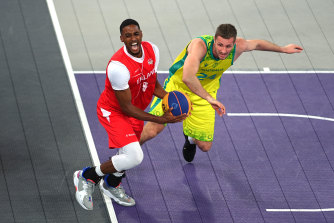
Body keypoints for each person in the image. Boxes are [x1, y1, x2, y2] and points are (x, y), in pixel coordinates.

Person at [140, 23, 303, 162]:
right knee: (154, 129)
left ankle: (190, 139)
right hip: (177, 88)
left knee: (204, 146)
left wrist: (283, 49)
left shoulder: (238, 46)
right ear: (214, 40)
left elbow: (258, 44)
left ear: (233, 44)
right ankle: (126, 156)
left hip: (205, 93)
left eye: (228, 46)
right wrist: (210, 98)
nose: (224, 50)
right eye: (220, 45)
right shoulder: (200, 46)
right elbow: (188, 77)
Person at [73, 19, 186, 210]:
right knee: (135, 156)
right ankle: (86, 176)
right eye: (128, 36)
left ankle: (111, 184)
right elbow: (126, 108)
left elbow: (152, 83)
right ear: (121, 39)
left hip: (134, 110)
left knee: (128, 153)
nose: (133, 39)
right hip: (114, 111)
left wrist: (169, 100)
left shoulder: (153, 51)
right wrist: (161, 119)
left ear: (141, 34)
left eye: (136, 34)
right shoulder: (118, 67)